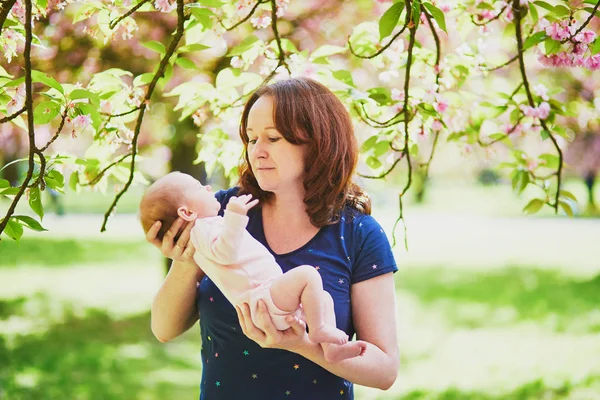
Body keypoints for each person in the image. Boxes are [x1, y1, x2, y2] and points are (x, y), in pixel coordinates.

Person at [146, 77, 399, 399]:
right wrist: (184, 262)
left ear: (318, 141)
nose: (258, 151)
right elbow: (164, 330)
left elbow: (385, 370)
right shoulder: (222, 212)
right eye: (251, 139)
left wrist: (303, 345)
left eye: (273, 138)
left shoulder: (358, 234)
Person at [139, 171, 369, 363]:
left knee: (322, 298)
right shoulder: (202, 231)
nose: (209, 189)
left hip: (268, 294)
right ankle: (318, 330)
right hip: (262, 296)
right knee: (308, 275)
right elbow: (225, 252)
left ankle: (330, 349)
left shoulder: (211, 226)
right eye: (200, 187)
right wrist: (235, 217)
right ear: (187, 213)